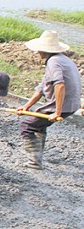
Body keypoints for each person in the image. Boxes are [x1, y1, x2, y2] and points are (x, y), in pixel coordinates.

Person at [17, 30, 81, 169]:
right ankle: (37, 158)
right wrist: (26, 107)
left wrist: (57, 112)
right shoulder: (62, 59)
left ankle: (34, 161)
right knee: (39, 125)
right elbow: (42, 87)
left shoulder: (54, 62)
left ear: (43, 50)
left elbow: (60, 86)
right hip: (71, 103)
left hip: (64, 104)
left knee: (27, 126)